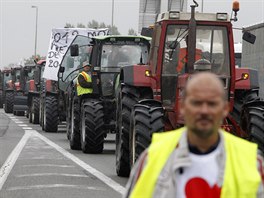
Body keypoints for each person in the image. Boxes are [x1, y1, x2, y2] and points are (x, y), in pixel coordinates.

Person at [124, 72, 264, 198]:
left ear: (225, 109)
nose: (204, 111)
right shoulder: (152, 159)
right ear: (183, 107)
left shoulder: (252, 163)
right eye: (196, 103)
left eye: (212, 104)